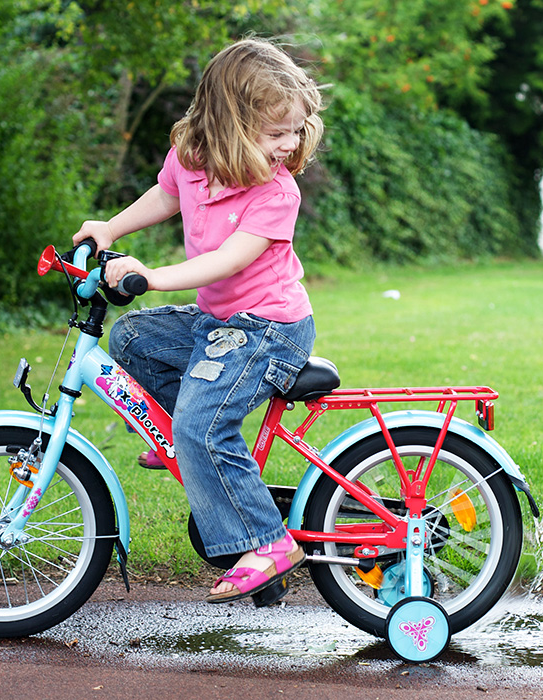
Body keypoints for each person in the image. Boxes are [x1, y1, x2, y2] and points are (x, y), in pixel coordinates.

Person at [73, 37, 324, 605]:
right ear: (230, 124)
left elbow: (229, 259)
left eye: (296, 131)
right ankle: (187, 443)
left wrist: (152, 276)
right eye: (276, 133)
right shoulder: (193, 158)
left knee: (201, 427)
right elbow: (164, 196)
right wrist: (110, 229)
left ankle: (266, 541)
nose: (290, 145)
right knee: (133, 336)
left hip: (268, 328)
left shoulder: (276, 192)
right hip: (220, 320)